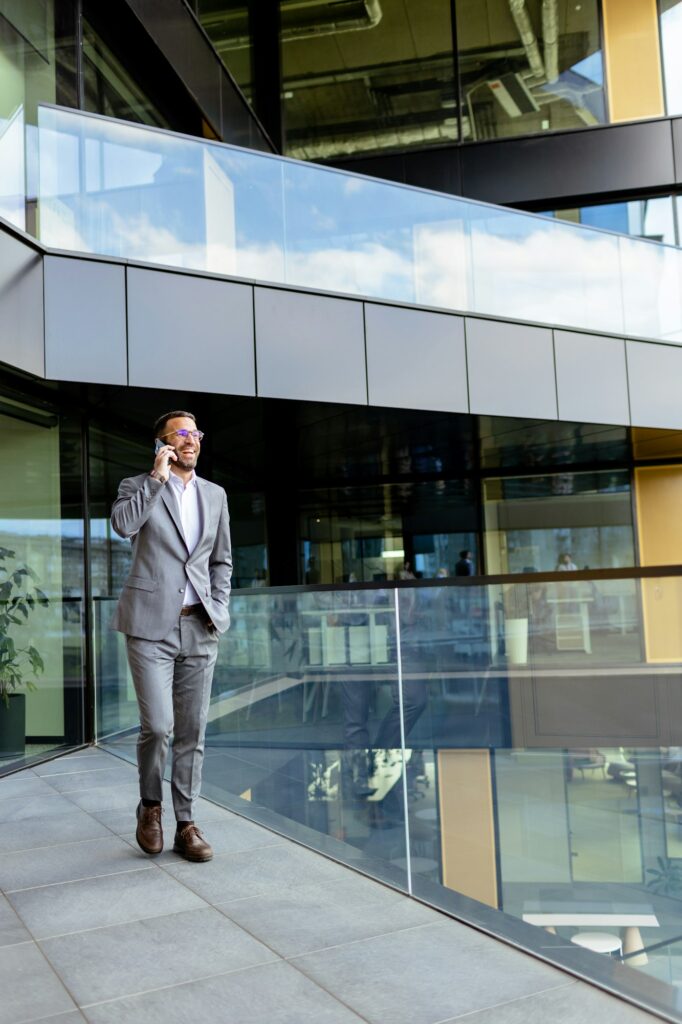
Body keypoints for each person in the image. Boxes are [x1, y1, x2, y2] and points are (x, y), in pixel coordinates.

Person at [111, 410, 232, 863]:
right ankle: (150, 806)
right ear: (161, 443)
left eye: (196, 432)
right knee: (158, 727)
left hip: (199, 624)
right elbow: (123, 525)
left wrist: (219, 607)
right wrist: (156, 479)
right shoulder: (137, 486)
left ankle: (186, 822)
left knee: (192, 730)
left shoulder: (215, 495)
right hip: (148, 625)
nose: (191, 440)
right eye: (181, 433)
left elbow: (222, 559)